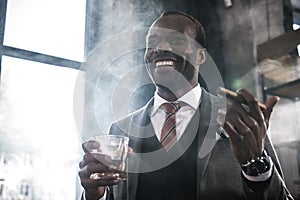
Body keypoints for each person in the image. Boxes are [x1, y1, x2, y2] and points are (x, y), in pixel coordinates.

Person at [78, 11, 294, 200]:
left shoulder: (239, 122)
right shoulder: (120, 129)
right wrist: (94, 195)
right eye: (152, 42)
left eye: (177, 40)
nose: (160, 48)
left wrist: (256, 167)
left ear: (201, 56)